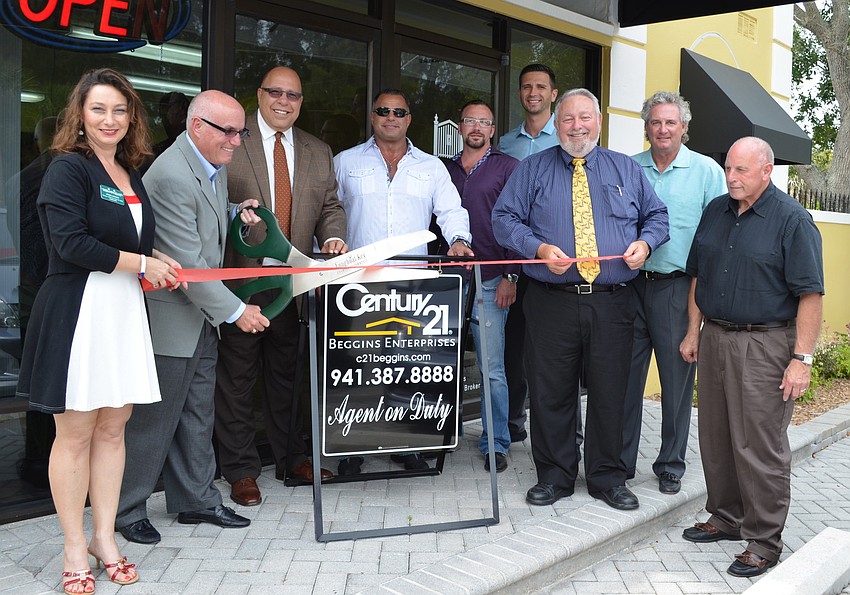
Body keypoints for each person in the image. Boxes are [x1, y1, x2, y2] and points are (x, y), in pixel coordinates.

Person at [16, 68, 182, 593]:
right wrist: (141, 264)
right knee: (76, 434)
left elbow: (122, 236)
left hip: (123, 313)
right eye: (98, 109)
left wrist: (156, 256)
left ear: (131, 116)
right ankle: (71, 544)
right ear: (80, 116)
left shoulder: (129, 171)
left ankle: (103, 537)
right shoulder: (68, 168)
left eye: (119, 110)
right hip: (77, 312)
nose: (110, 120)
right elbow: (69, 244)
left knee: (115, 430)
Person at [492, 88, 669, 510]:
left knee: (612, 391)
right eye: (568, 119)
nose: (577, 126)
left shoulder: (625, 168)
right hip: (551, 299)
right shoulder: (532, 169)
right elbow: (503, 218)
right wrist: (536, 248)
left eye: (584, 118)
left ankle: (608, 478)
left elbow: (657, 217)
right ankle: (555, 476)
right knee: (552, 391)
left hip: (612, 300)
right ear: (556, 124)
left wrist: (645, 244)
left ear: (599, 121)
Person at [116, 90, 268, 545]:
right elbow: (186, 264)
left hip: (198, 318)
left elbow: (203, 220)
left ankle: (195, 500)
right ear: (197, 125)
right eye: (230, 131)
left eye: (241, 131)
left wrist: (234, 212)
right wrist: (237, 311)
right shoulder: (172, 175)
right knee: (153, 421)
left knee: (197, 413)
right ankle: (127, 510)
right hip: (172, 317)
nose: (237, 141)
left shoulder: (208, 164)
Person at [679, 136, 824, 578]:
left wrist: (802, 358)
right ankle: (725, 516)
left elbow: (810, 294)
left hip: (766, 345)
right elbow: (699, 277)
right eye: (728, 169)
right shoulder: (716, 211)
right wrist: (693, 331)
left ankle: (764, 539)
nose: (732, 177)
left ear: (767, 170)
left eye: (741, 170)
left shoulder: (793, 221)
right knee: (718, 436)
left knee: (759, 445)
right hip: (717, 338)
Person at [215, 66, 347, 507]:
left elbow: (329, 205)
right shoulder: (233, 138)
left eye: (293, 95)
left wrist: (333, 234)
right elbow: (213, 198)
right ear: (259, 94)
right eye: (275, 92)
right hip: (242, 283)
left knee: (288, 377)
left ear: (301, 101)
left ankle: (292, 457)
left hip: (293, 286)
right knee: (237, 378)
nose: (284, 101)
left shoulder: (317, 149)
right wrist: (236, 211)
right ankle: (240, 470)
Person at [334, 88, 473, 474]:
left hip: (414, 286)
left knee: (407, 367)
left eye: (399, 111)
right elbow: (329, 213)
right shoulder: (345, 162)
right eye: (383, 110)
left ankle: (405, 441)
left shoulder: (430, 167)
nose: (390, 117)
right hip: (358, 285)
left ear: (409, 119)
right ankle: (350, 449)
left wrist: (460, 240)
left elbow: (451, 210)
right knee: (359, 367)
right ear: (373, 116)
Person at [620, 91, 726, 494]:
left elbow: (716, 238)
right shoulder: (628, 168)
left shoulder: (706, 172)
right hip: (629, 288)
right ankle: (620, 460)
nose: (662, 130)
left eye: (670, 122)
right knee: (623, 379)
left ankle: (670, 464)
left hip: (678, 289)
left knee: (676, 381)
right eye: (655, 122)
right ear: (646, 127)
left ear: (684, 127)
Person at [444, 99, 519, 472]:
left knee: (491, 368)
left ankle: (496, 442)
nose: (476, 127)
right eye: (470, 120)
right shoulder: (441, 169)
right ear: (460, 126)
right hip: (445, 283)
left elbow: (521, 222)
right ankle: (441, 433)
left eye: (484, 122)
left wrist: (511, 275)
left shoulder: (509, 168)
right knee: (442, 365)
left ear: (493, 131)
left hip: (491, 281)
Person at [498, 64, 560, 445]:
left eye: (541, 86)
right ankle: (514, 421)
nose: (533, 92)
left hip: (556, 265)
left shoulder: (568, 140)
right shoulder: (506, 145)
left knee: (552, 354)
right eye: (526, 87)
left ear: (554, 93)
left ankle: (561, 430)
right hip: (515, 260)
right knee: (514, 345)